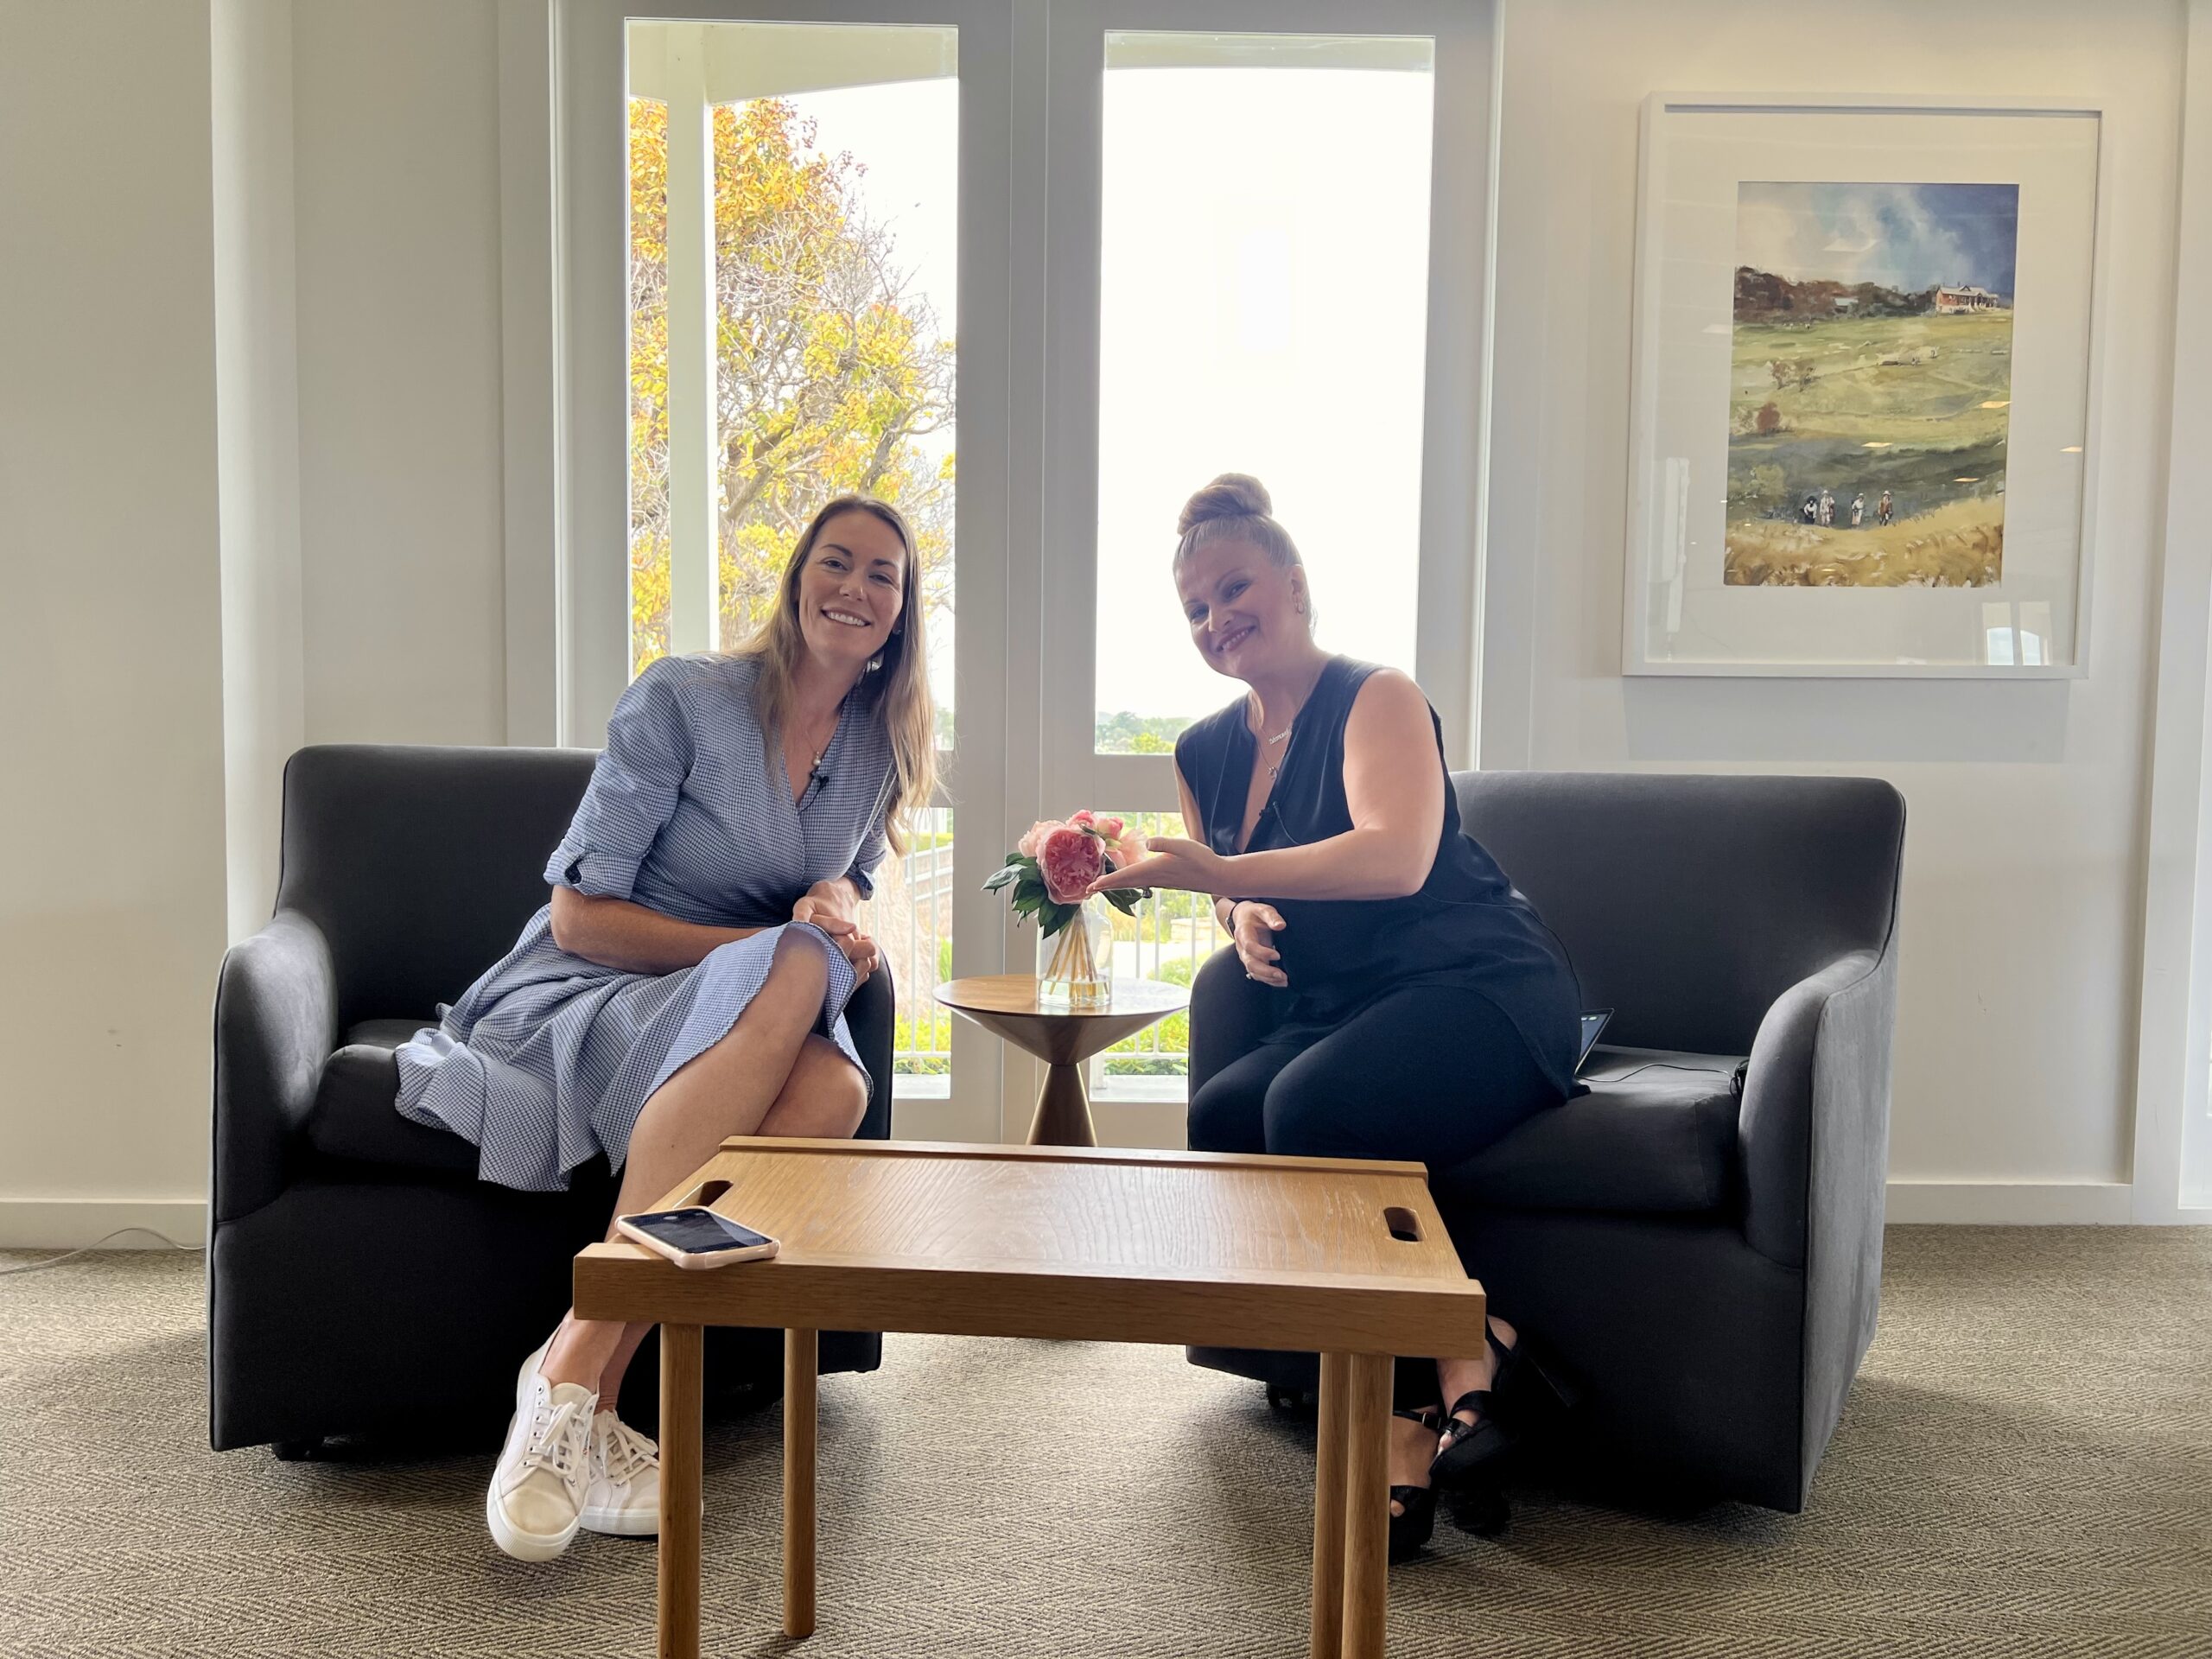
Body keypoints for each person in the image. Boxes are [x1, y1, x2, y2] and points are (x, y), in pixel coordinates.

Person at [392, 495, 936, 1562]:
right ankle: (575, 1378)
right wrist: (767, 944)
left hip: (743, 1003)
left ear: (901, 615)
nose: (855, 589)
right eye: (836, 561)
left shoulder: (879, 748)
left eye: (883, 576)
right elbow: (578, 916)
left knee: (836, 1092)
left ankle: (575, 1370)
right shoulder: (685, 698)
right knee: (789, 961)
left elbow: (844, 873)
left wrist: (829, 901)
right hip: (593, 982)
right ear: (796, 580)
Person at [1091, 474, 1581, 1562]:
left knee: (1313, 1107)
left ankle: (1414, 1409)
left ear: (1294, 583)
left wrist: (1219, 868)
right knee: (1225, 1113)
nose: (1217, 620)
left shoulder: (1377, 697)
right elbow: (1236, 886)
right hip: (1338, 1005)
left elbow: (1395, 855)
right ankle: (1474, 1346)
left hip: (1478, 985)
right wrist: (1235, 910)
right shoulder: (1201, 751)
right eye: (1195, 610)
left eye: (1234, 588)